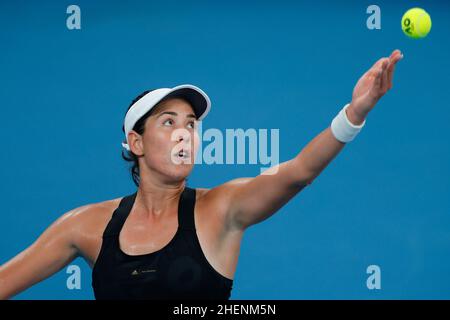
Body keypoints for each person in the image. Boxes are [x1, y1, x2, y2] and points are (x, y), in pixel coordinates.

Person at [0, 49, 403, 300]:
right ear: (135, 144)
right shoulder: (84, 226)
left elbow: (298, 172)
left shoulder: (222, 209)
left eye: (191, 124)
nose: (184, 134)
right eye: (168, 122)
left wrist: (354, 113)